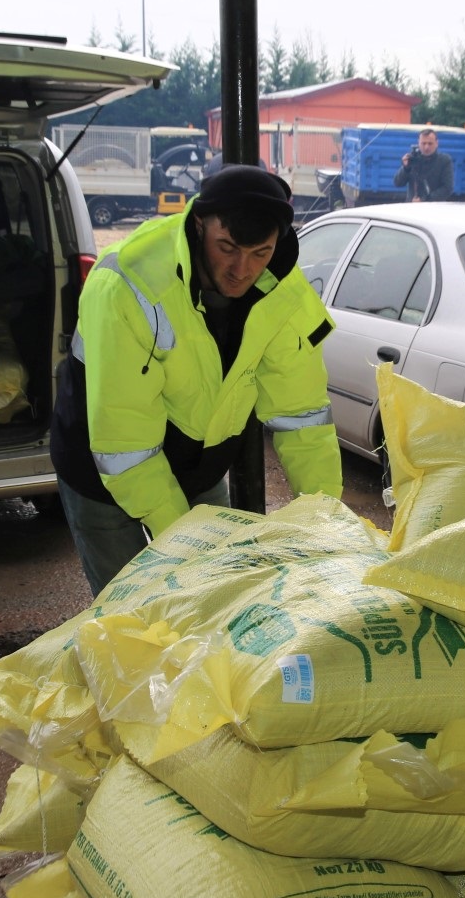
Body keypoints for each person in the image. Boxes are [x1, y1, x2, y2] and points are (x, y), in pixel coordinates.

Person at [50, 164, 343, 594]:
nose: (242, 270)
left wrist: (327, 521)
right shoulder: (130, 283)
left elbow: (302, 419)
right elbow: (125, 445)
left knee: (213, 599)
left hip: (200, 466)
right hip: (103, 469)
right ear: (200, 222)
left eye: (260, 253)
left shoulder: (285, 293)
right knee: (131, 613)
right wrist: (186, 545)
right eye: (227, 247)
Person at [393, 128, 454, 201]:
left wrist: (424, 200)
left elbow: (447, 188)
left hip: (435, 207)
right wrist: (405, 168)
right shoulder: (413, 159)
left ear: (437, 143)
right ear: (418, 143)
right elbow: (398, 183)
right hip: (412, 207)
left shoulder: (444, 160)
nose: (426, 147)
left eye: (430, 143)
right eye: (423, 143)